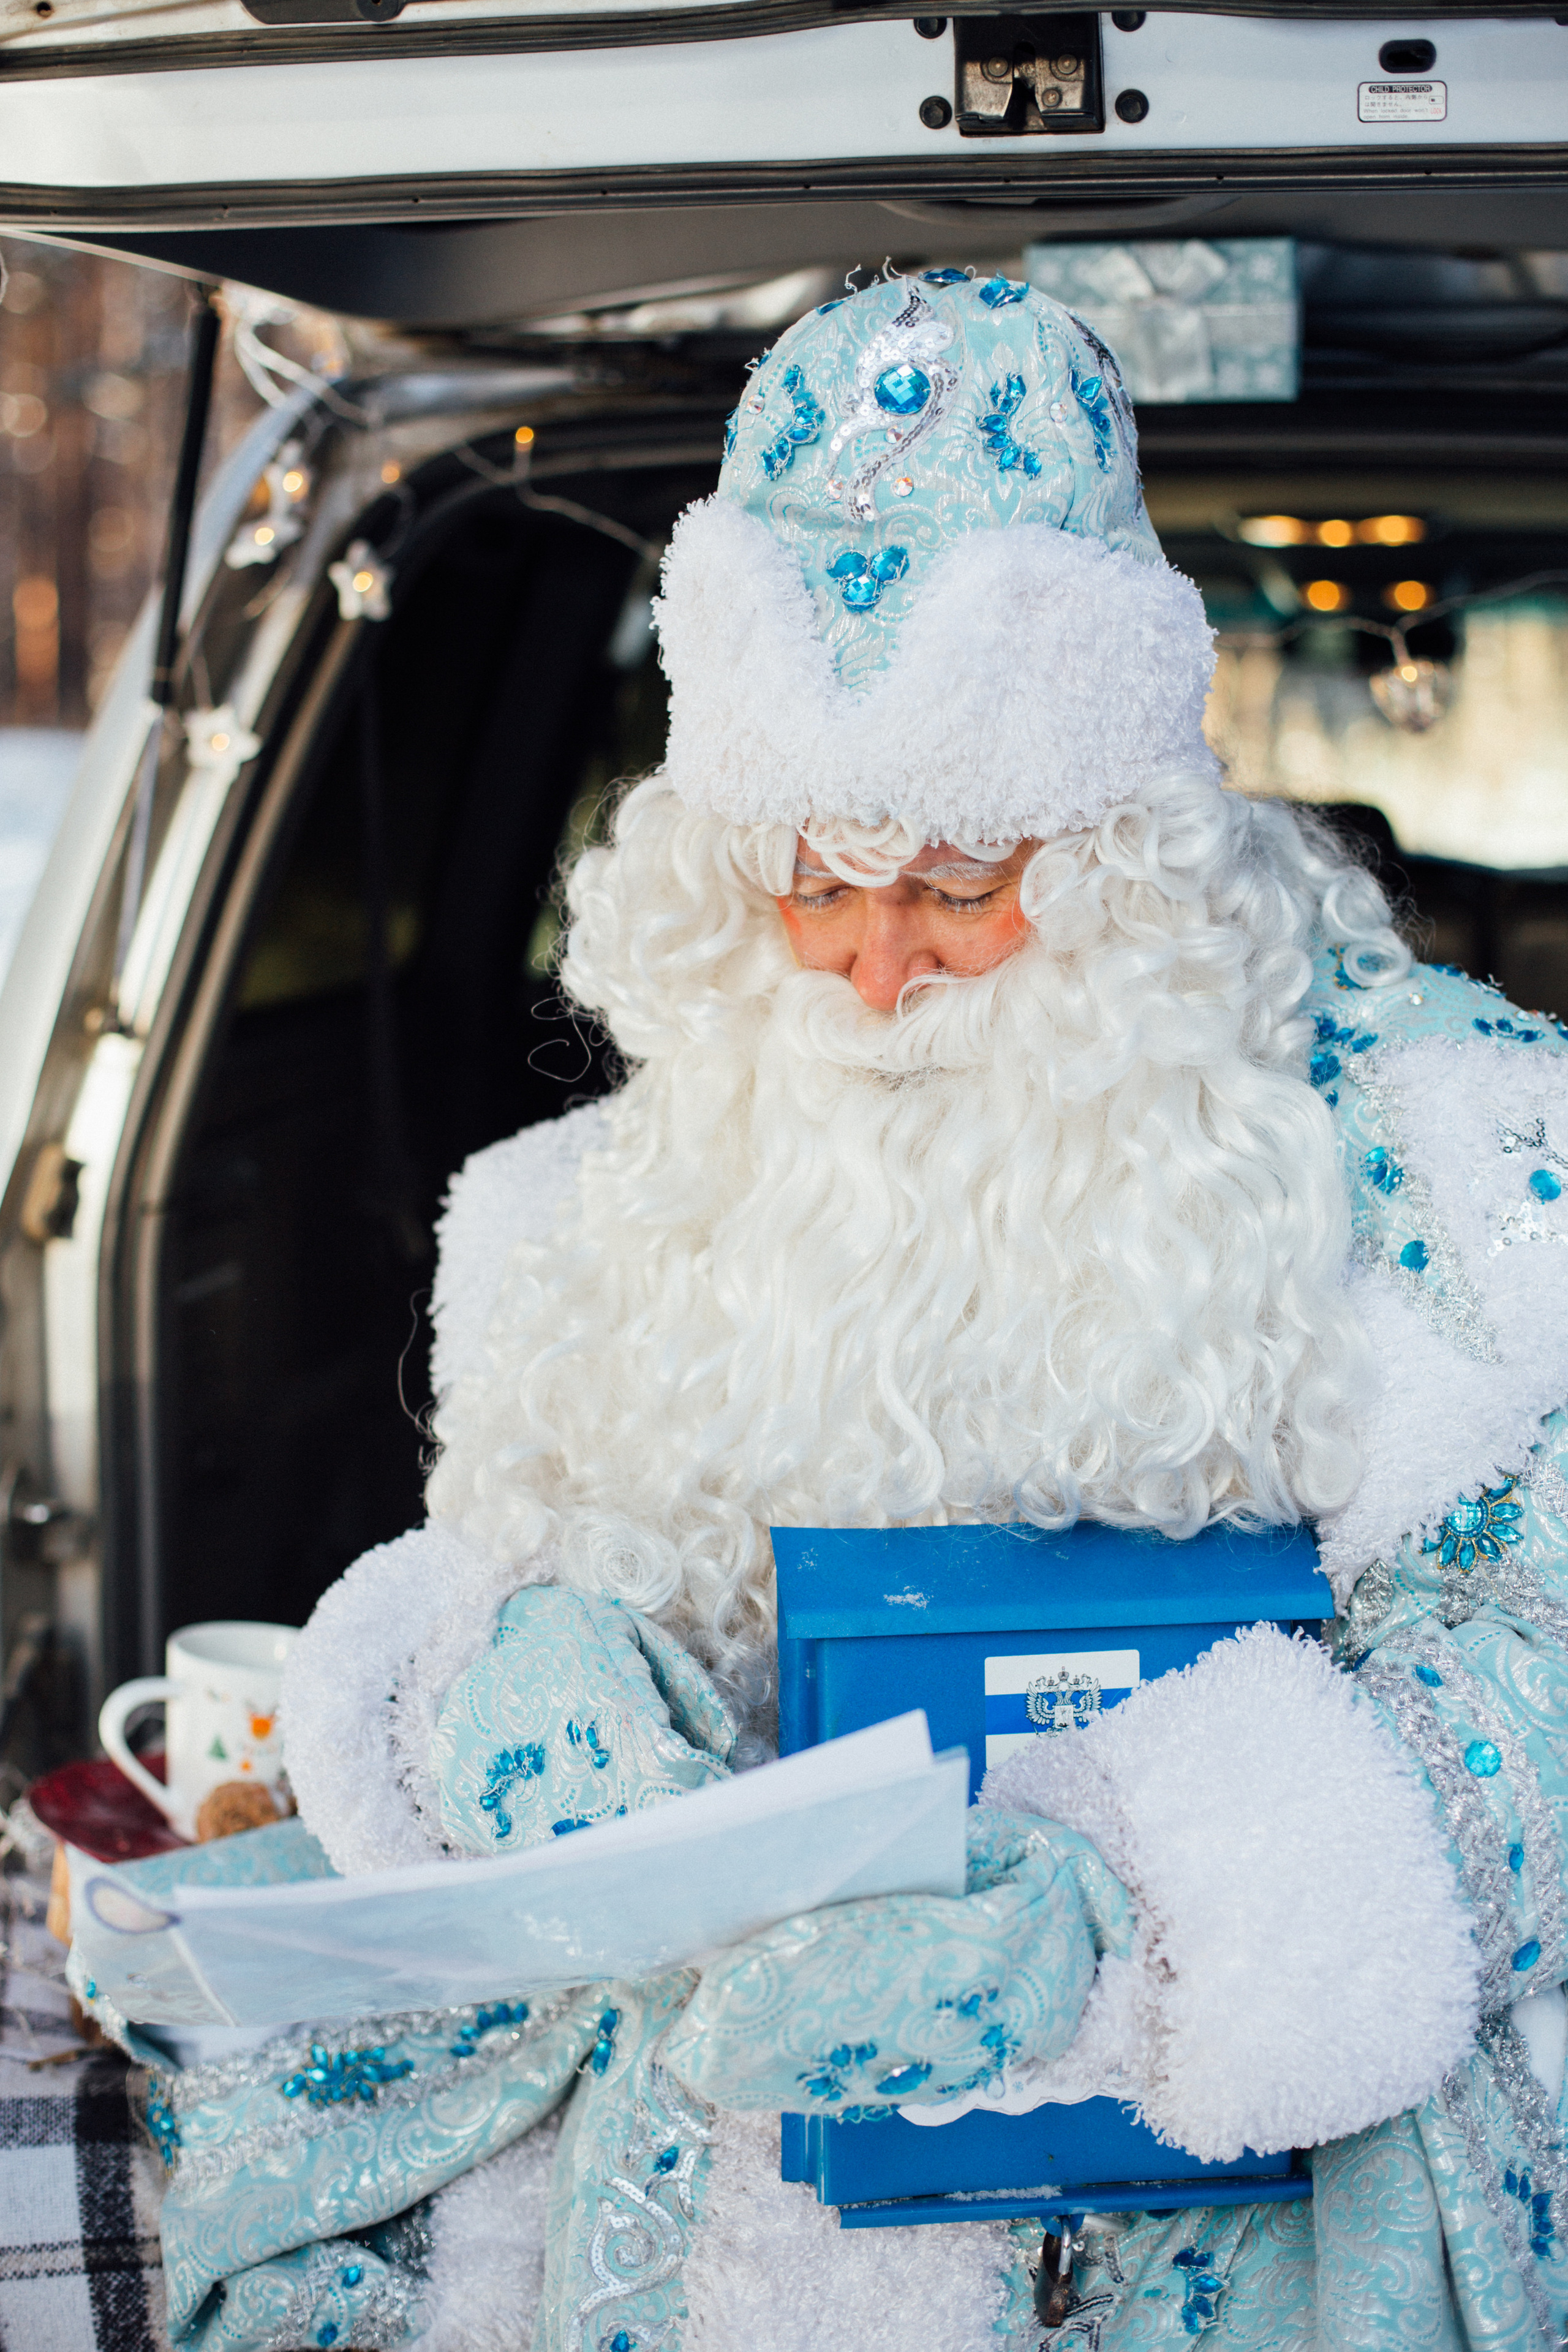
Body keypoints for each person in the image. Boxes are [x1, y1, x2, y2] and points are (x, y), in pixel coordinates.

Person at [86, 271, 1568, 2350]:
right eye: (813, 880)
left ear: (1128, 849)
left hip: (1204, 2207)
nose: (875, 969)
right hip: (711, 2218)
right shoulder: (599, 1203)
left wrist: (1120, 1923)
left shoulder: (1454, 1160)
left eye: (961, 883)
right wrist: (479, 1693)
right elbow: (483, 1597)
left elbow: (1543, 1682)